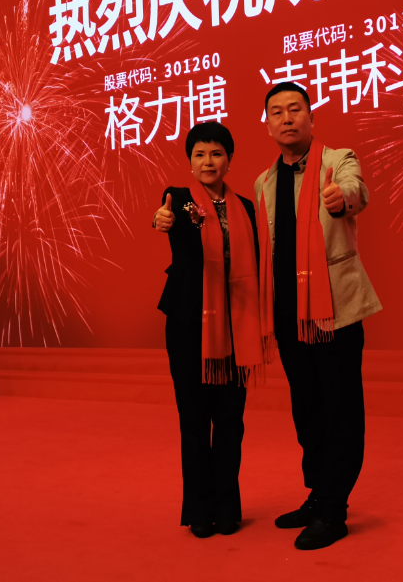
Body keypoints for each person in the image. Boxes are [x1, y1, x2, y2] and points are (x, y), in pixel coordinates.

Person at [255, 81, 383, 550]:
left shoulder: (337, 160)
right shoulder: (264, 183)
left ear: (311, 118)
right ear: (268, 125)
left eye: (295, 109)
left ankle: (334, 509)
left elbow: (357, 191)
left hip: (335, 311)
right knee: (307, 408)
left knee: (340, 408)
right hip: (289, 314)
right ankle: (318, 493)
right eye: (277, 112)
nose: (286, 118)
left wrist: (341, 199)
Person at [153, 121, 269, 539]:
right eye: (199, 154)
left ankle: (227, 506)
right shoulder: (179, 199)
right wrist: (161, 219)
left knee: (231, 421)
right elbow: (164, 217)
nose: (208, 161)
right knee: (194, 419)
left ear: (229, 160)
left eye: (216, 153)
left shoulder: (247, 208)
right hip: (190, 324)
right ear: (190, 162)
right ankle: (199, 509)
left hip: (237, 325)